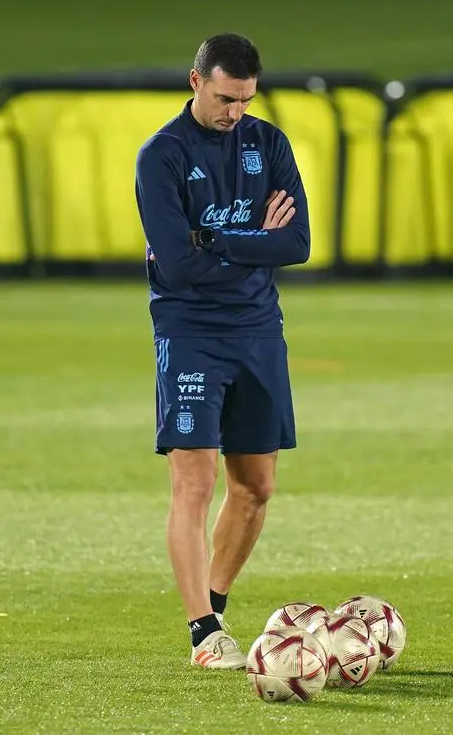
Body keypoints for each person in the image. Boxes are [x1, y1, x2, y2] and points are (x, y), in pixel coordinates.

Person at [133, 33, 310, 669]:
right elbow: (176, 270)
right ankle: (203, 632)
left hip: (259, 330)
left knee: (257, 487)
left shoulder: (269, 143)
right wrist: (253, 236)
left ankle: (213, 597)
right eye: (225, 98)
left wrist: (216, 239)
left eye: (245, 100)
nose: (235, 112)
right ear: (196, 82)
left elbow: (297, 246)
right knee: (194, 480)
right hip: (190, 332)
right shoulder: (162, 156)